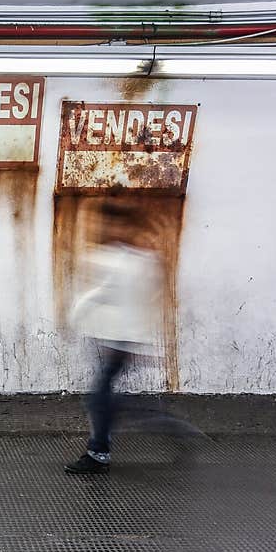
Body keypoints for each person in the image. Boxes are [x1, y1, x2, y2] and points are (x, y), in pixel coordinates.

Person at [65, 201, 164, 475]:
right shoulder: (134, 257)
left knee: (99, 397)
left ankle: (99, 453)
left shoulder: (123, 259)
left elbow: (100, 293)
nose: (109, 228)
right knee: (102, 395)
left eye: (114, 223)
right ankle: (113, 433)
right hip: (114, 338)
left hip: (121, 340)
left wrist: (73, 317)